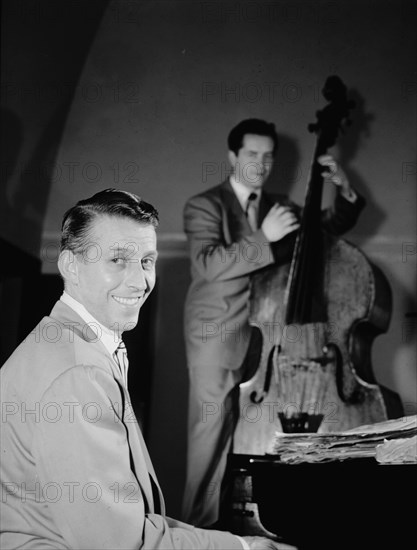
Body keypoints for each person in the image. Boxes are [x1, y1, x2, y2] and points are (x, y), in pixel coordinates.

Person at [0, 189, 296, 550]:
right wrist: (245, 549)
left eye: (146, 261)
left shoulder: (65, 343)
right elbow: (120, 544)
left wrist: (240, 543)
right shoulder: (76, 374)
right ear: (70, 266)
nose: (140, 282)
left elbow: (124, 523)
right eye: (118, 260)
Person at [182, 118, 365, 527]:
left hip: (268, 341)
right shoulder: (204, 205)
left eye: (268, 156)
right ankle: (198, 530)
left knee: (253, 436)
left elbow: (327, 229)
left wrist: (342, 186)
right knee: (209, 438)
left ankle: (243, 527)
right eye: (252, 154)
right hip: (217, 336)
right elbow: (208, 264)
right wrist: (263, 236)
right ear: (233, 155)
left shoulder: (280, 208)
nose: (261, 164)